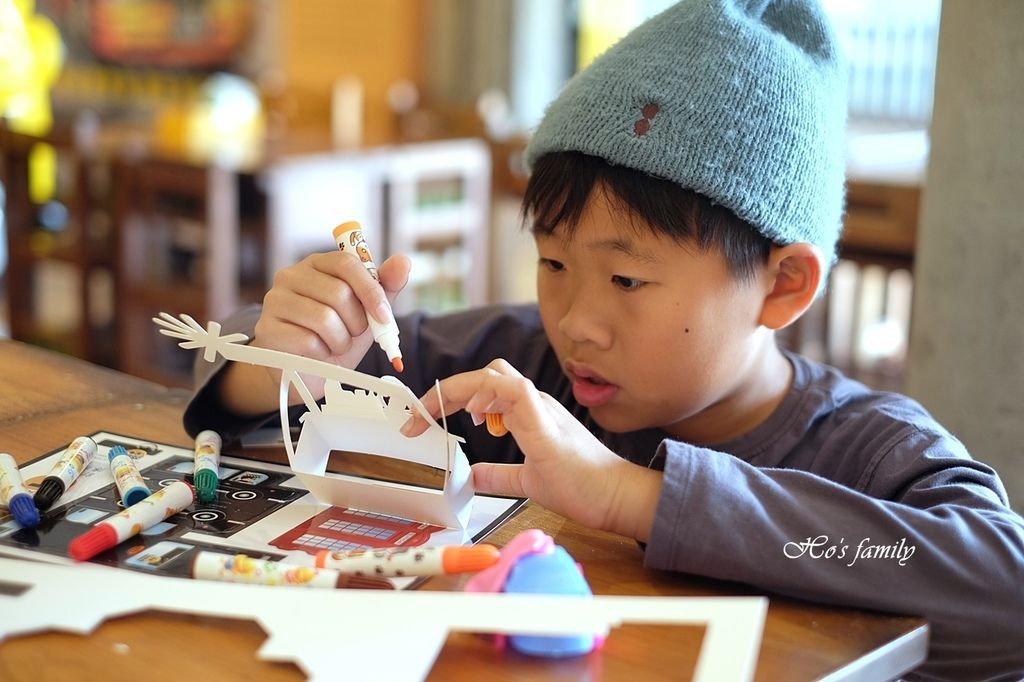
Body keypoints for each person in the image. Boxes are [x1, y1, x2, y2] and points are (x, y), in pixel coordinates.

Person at [183, 1, 1024, 679]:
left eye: (627, 280)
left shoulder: (869, 452)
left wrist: (631, 496)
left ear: (782, 283)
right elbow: (256, 399)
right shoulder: (515, 364)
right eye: (552, 261)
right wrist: (288, 360)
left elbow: (1003, 591)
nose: (575, 321)